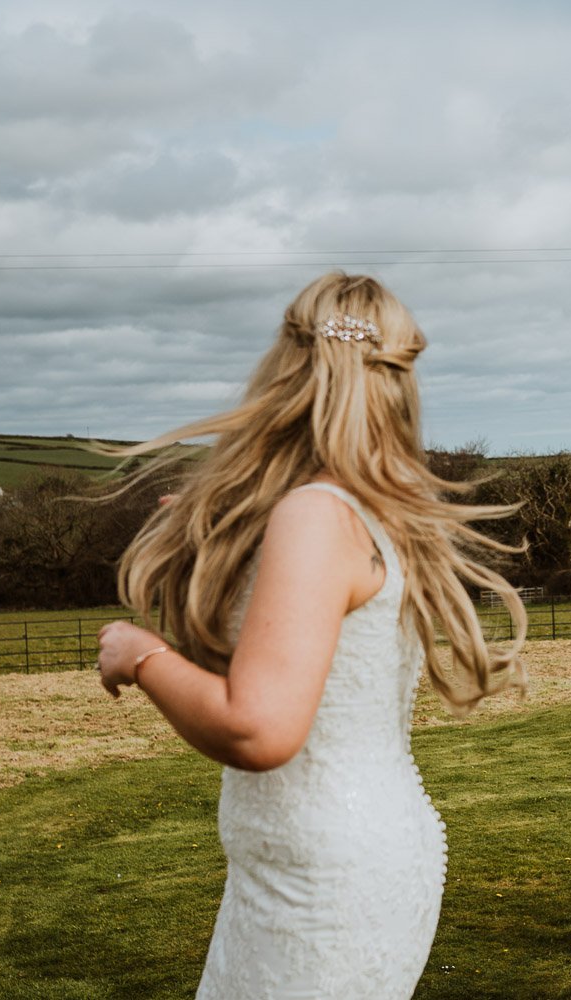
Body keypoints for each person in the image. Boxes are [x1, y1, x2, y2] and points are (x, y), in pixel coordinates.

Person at [94, 273, 527, 999]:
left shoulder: (315, 516)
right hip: (342, 858)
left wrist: (141, 656)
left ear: (292, 364)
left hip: (321, 880)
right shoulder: (364, 510)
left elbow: (258, 726)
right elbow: (279, 664)